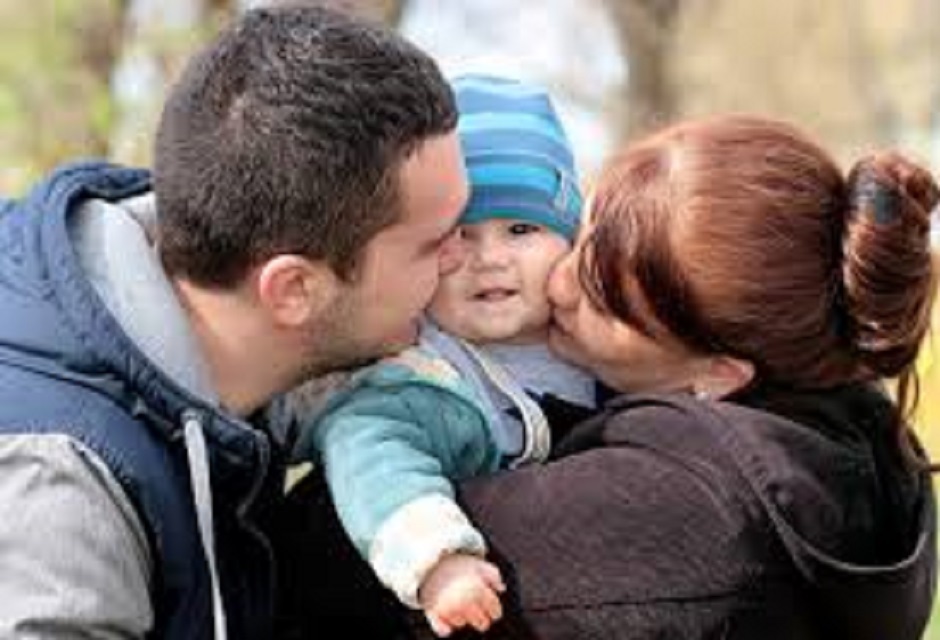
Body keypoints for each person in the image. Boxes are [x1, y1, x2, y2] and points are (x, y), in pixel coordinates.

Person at [274, 114, 939, 640]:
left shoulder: (681, 516)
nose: (557, 284)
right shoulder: (850, 434)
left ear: (716, 373)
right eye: (583, 236)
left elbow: (312, 564)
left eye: (603, 299)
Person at [0, 4, 469, 639]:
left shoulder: (220, 333)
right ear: (294, 289)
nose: (462, 258)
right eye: (431, 244)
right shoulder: (58, 496)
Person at [290, 74, 596, 637]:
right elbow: (369, 452)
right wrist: (436, 560)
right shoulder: (425, 376)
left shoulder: (593, 342)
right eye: (462, 238)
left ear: (571, 243)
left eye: (522, 230)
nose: (491, 259)